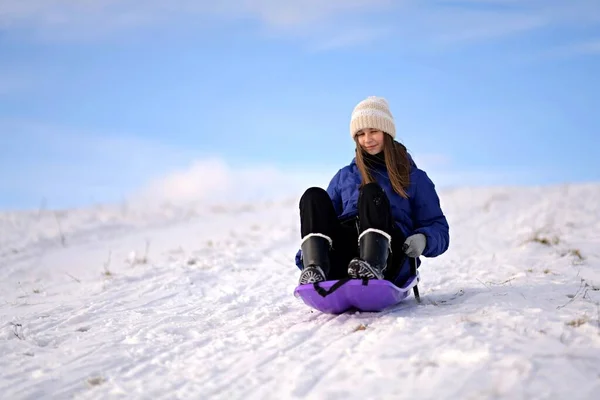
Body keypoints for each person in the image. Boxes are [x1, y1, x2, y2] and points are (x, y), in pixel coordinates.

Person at [294, 95, 450, 287]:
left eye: (373, 131)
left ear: (386, 132)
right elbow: (322, 221)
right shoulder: (345, 176)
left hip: (390, 258)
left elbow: (438, 227)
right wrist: (307, 253)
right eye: (360, 134)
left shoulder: (414, 178)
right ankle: (315, 268)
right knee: (313, 196)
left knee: (371, 193)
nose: (367, 140)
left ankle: (372, 266)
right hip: (346, 259)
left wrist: (425, 240)